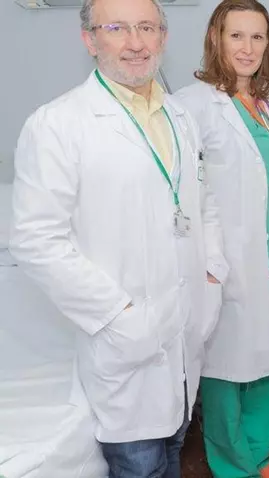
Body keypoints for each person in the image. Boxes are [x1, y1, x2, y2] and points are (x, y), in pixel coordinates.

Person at [8, 0, 228, 476]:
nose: (135, 42)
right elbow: (35, 240)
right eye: (117, 28)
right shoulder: (58, 124)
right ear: (90, 40)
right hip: (122, 341)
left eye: (147, 27)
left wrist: (213, 273)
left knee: (174, 450)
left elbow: (203, 204)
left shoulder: (179, 117)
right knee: (140, 465)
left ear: (163, 37)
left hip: (184, 332)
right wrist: (117, 313)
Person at [174, 1, 269, 477]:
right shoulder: (193, 106)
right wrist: (205, 262)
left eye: (258, 37)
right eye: (237, 35)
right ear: (217, 38)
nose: (248, 48)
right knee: (225, 374)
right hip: (230, 263)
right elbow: (185, 192)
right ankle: (234, 467)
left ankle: (259, 456)